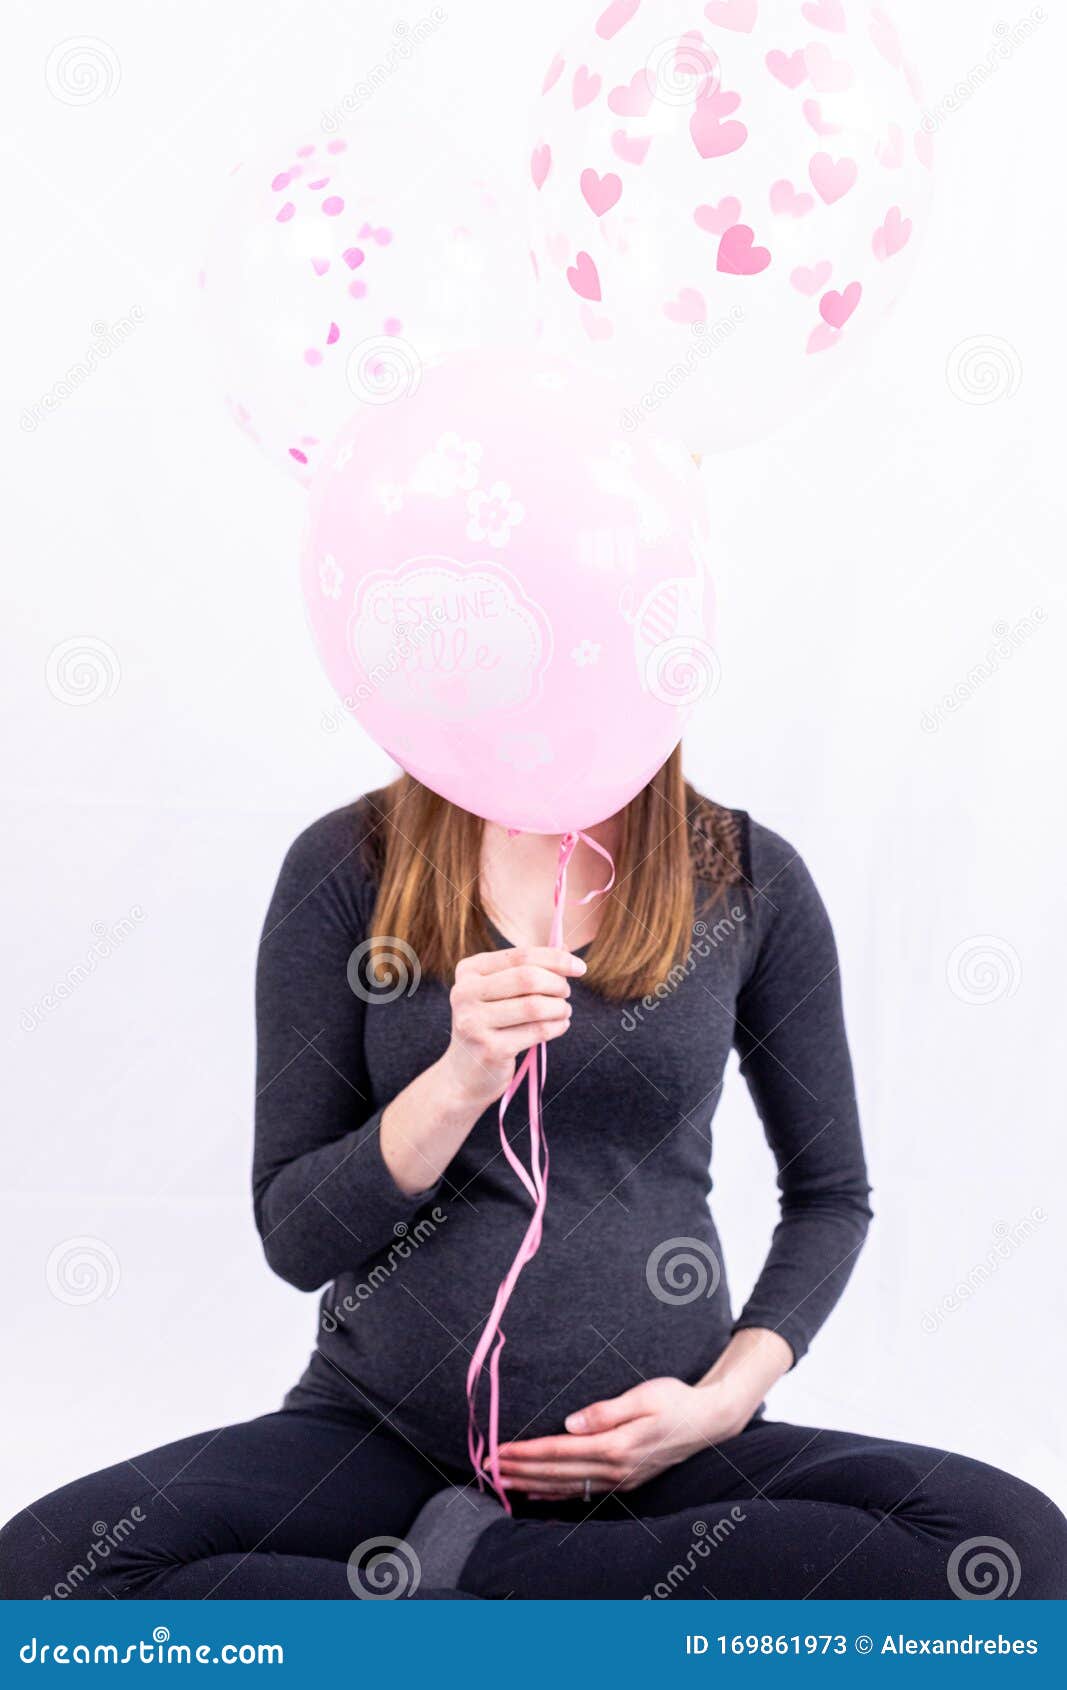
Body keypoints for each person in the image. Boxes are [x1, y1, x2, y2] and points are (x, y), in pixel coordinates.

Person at [2, 754, 1064, 1600]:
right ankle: (558, 1627)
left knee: (1010, 1549)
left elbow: (829, 1194)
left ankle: (472, 1583)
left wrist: (717, 1405)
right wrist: (458, 1076)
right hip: (377, 1441)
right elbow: (296, 1233)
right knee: (44, 1571)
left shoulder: (746, 873)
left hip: (663, 1460)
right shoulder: (346, 862)